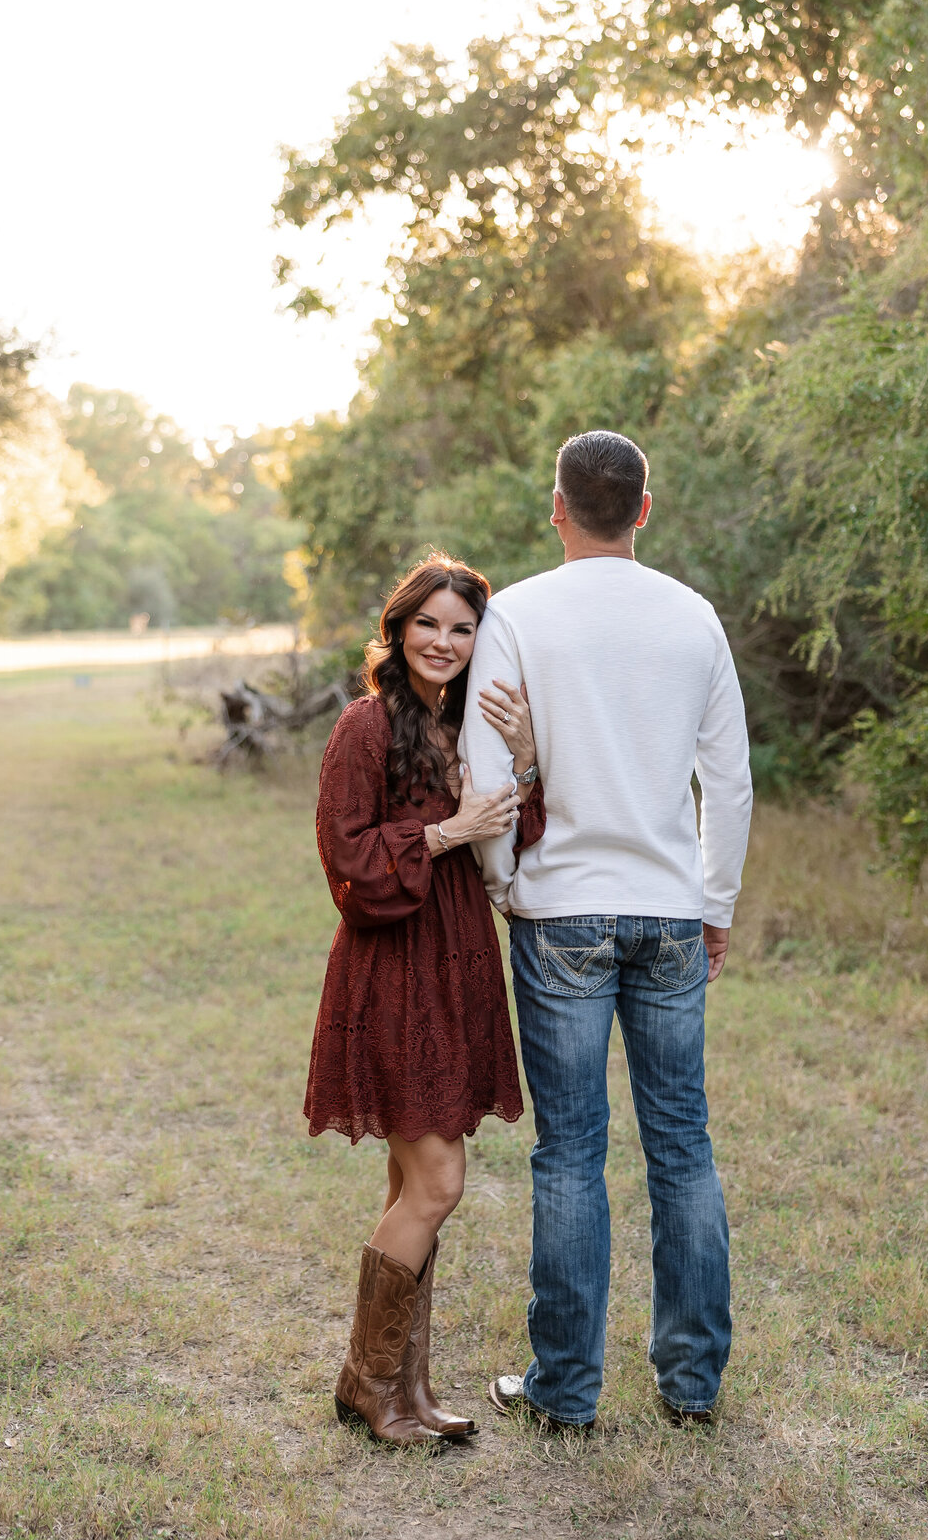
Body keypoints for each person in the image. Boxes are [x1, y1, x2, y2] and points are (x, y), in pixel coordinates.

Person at [460, 430, 754, 1432]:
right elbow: (730, 781)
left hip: (560, 911)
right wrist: (714, 905)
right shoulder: (694, 618)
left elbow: (486, 768)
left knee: (570, 1153)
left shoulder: (516, 614)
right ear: (644, 507)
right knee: (683, 1147)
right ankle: (693, 1386)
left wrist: (504, 881)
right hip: (670, 910)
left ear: (556, 507)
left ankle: (565, 1394)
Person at [304, 553, 543, 1449]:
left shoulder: (467, 725)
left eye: (462, 627)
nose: (444, 642)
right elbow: (348, 863)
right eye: (429, 624)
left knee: (413, 1182)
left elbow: (517, 838)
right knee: (439, 1182)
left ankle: (406, 1391)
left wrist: (521, 757)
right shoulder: (364, 726)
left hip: (454, 964)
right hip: (392, 969)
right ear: (399, 630)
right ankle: (368, 1385)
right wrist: (446, 831)